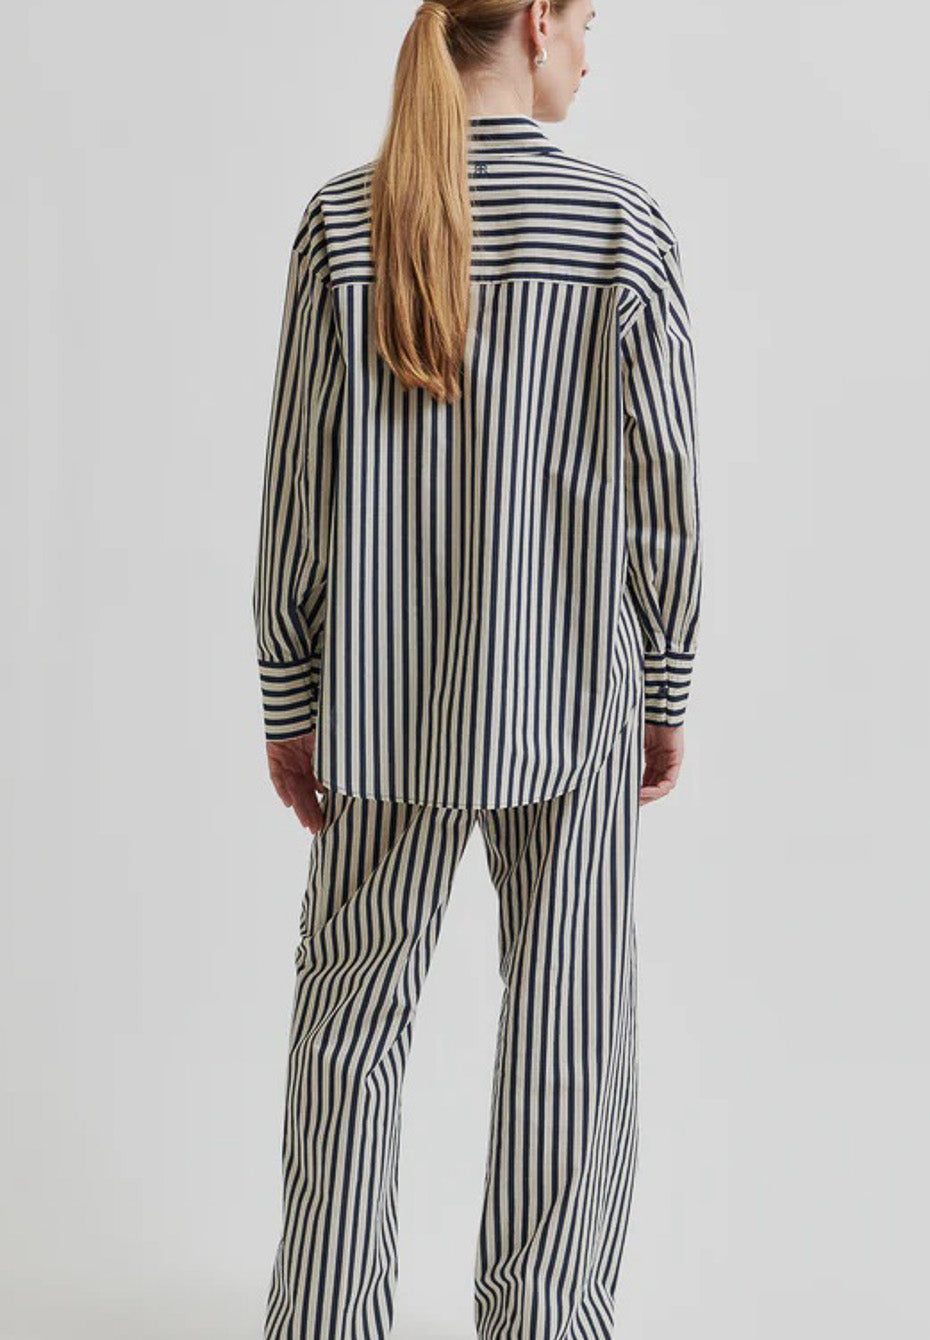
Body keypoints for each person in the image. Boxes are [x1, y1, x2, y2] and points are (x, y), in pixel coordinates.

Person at [251, 1, 702, 1335]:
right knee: (568, 1037)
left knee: (348, 1025)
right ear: (541, 23)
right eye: (590, 22)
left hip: (377, 700)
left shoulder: (342, 223)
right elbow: (664, 500)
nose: (593, 54)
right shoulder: (622, 229)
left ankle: (326, 1319)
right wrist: (665, 682)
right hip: (571, 702)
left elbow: (298, 493)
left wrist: (291, 693)